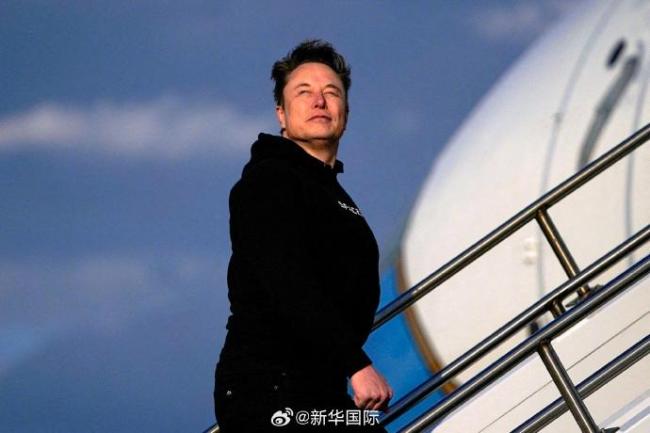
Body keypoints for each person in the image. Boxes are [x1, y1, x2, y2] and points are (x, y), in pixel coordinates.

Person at [214, 39, 392, 432]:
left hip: (318, 387)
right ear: (281, 112)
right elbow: (286, 281)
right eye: (304, 92)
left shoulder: (332, 193)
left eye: (332, 93)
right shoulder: (269, 180)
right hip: (271, 388)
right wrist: (357, 364)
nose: (319, 101)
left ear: (346, 112)